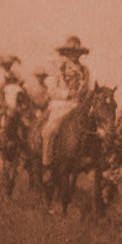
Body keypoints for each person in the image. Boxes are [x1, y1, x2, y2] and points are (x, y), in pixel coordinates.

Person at [42, 36, 93, 168]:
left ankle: (88, 159)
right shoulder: (59, 68)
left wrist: (86, 99)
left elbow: (87, 89)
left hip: (79, 106)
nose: (74, 55)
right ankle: (47, 163)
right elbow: (51, 90)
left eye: (77, 53)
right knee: (50, 130)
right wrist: (67, 94)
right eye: (71, 52)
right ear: (66, 53)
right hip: (61, 106)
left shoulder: (85, 70)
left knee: (94, 130)